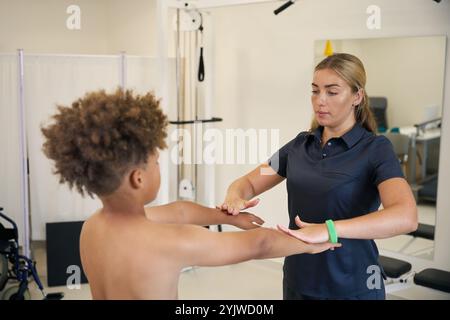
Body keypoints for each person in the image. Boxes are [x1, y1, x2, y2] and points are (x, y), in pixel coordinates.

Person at [41, 88, 339, 300]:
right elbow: (259, 245)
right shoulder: (170, 242)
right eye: (156, 162)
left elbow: (179, 211)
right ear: (138, 177)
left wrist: (226, 216)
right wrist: (316, 238)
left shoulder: (93, 227)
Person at [219, 53, 418, 300]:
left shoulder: (376, 149)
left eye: (332, 92)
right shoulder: (299, 146)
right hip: (298, 279)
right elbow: (249, 181)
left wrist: (329, 230)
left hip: (352, 284)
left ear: (357, 96)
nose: (320, 101)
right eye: (315, 91)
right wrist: (235, 196)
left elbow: (406, 216)